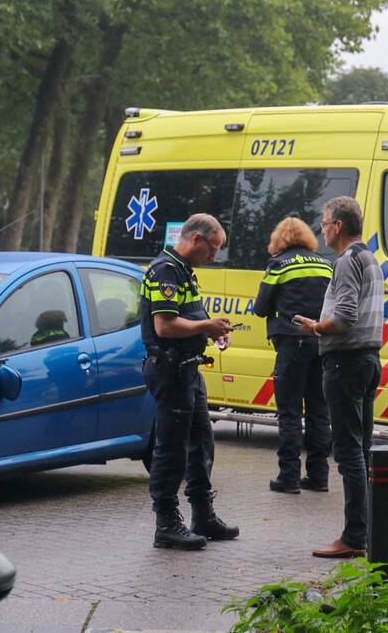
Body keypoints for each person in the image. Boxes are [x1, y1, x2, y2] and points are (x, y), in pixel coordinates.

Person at [140, 213, 239, 550]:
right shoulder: (165, 271)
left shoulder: (184, 272)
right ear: (196, 240)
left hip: (189, 370)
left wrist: (212, 332)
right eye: (213, 249)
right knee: (171, 448)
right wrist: (205, 327)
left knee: (201, 443)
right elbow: (164, 326)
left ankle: (203, 514)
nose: (214, 257)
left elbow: (189, 318)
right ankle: (166, 523)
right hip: (171, 370)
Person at [294, 197, 384, 559]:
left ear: (338, 226)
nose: (321, 229)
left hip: (344, 363)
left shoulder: (347, 262)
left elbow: (344, 316)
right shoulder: (370, 259)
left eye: (324, 223)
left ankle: (353, 536)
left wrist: (315, 327)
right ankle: (367, 531)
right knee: (361, 450)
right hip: (368, 360)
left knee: (348, 452)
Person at [253, 217, 333, 495]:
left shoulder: (278, 264)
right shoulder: (326, 264)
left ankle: (288, 477)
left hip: (291, 345)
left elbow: (261, 308)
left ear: (279, 239)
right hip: (321, 343)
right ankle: (319, 476)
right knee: (319, 411)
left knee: (289, 413)